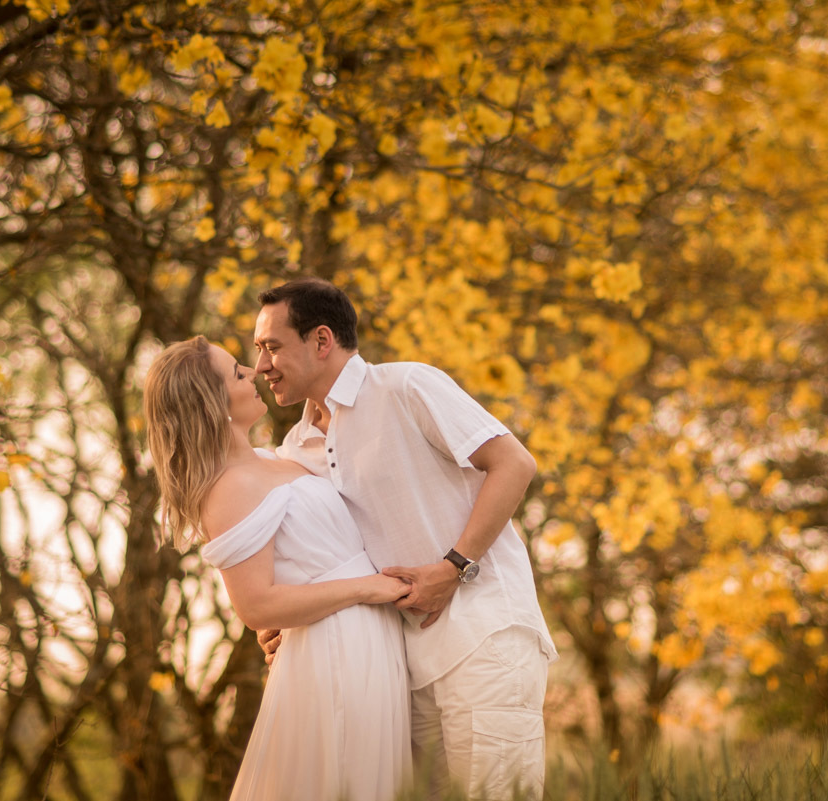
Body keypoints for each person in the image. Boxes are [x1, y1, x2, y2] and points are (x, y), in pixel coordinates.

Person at [252, 277, 558, 800]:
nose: (261, 366)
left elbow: (513, 463)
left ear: (321, 341)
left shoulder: (406, 386)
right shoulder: (294, 447)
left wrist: (453, 567)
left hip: (483, 638)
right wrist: (285, 619)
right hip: (400, 669)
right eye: (258, 351)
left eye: (272, 347)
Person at [143, 336, 413, 801]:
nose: (253, 373)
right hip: (333, 652)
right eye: (236, 373)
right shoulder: (229, 488)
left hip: (367, 638)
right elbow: (256, 604)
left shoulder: (276, 459)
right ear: (212, 401)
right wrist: (367, 588)